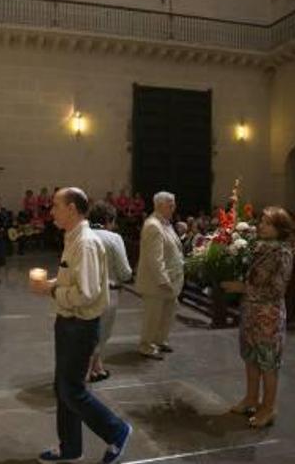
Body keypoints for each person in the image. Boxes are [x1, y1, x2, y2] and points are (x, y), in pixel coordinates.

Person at [29, 187, 132, 464]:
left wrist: (51, 292)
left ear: (72, 208)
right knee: (63, 388)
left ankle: (117, 430)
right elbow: (71, 280)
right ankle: (70, 448)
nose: (51, 211)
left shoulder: (85, 243)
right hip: (68, 323)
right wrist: (51, 283)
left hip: (79, 326)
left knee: (72, 390)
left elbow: (85, 294)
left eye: (56, 206)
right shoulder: (73, 237)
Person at [221, 206, 295, 429]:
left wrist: (243, 288)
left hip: (268, 315)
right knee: (251, 357)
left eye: (267, 223)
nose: (261, 226)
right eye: (261, 221)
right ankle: (251, 399)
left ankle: (268, 407)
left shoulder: (283, 252)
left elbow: (277, 290)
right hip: (251, 311)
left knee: (268, 363)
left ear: (280, 229)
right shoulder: (259, 247)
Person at [87, 201, 132, 383]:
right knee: (101, 333)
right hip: (107, 292)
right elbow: (124, 272)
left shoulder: (81, 235)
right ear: (109, 220)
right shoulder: (114, 238)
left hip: (84, 292)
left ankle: (98, 367)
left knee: (89, 331)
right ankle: (87, 372)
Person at [136, 192, 184, 360]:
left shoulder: (166, 224)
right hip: (156, 282)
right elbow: (155, 259)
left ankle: (160, 340)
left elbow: (173, 249)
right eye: (170, 204)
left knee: (168, 312)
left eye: (174, 204)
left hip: (171, 280)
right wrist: (163, 280)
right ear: (159, 205)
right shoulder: (153, 225)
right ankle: (147, 345)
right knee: (153, 315)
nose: (173, 207)